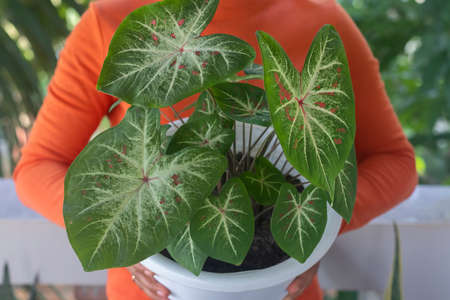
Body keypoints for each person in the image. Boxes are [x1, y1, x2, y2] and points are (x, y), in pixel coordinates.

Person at [13, 0, 417, 299]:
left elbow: (396, 163)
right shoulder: (113, 22)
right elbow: (36, 168)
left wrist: (314, 229)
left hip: (279, 287)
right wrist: (122, 227)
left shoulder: (322, 21)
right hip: (152, 288)